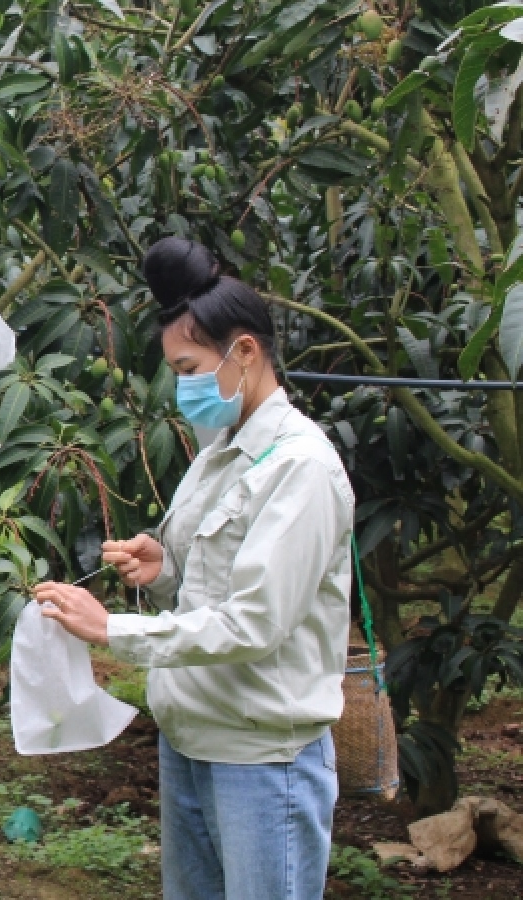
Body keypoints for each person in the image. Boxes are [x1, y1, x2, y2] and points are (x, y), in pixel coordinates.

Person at [33, 237, 354, 900]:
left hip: (262, 757)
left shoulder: (301, 468)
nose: (183, 387)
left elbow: (254, 623)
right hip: (190, 739)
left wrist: (113, 629)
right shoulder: (220, 452)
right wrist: (164, 570)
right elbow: (213, 581)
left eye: (189, 367)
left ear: (245, 352)